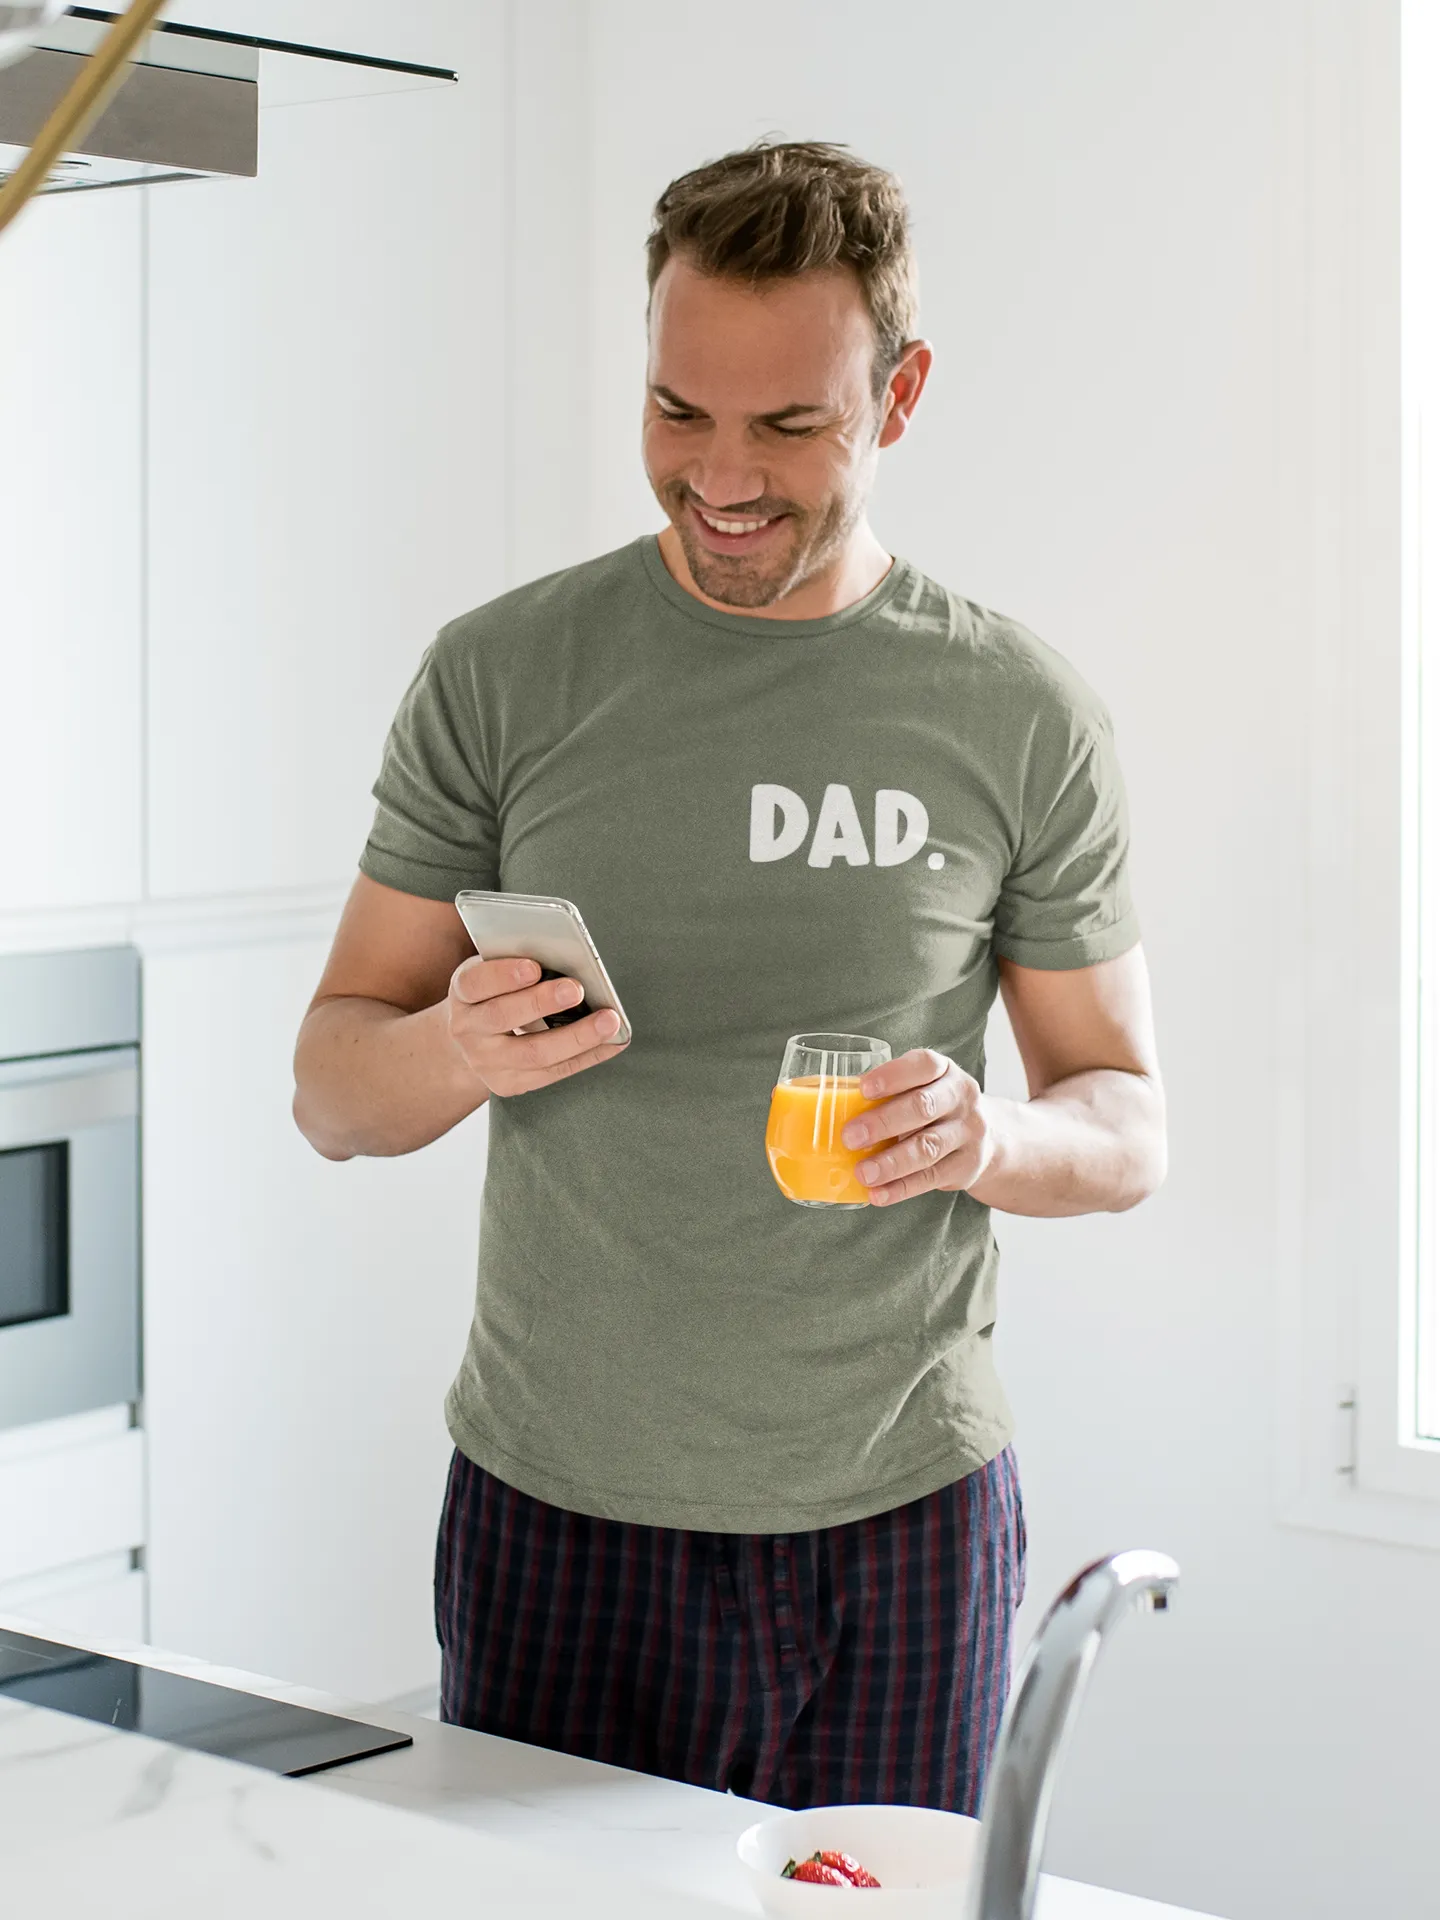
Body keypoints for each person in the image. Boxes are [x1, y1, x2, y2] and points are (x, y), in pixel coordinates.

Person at [292, 140, 1166, 1815]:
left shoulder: (1019, 713)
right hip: (556, 1513)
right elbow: (334, 1089)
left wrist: (983, 1138)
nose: (721, 478)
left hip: (901, 1518)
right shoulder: (502, 675)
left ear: (898, 396)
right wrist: (461, 1051)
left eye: (789, 424)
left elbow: (1125, 1123)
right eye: (678, 412)